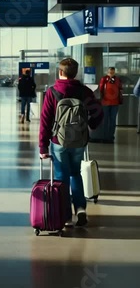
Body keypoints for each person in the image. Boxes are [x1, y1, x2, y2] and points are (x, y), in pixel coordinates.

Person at [39, 58, 103, 227]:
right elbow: (98, 113)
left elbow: (45, 121)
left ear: (60, 72)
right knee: (76, 173)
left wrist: (42, 146)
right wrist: (91, 126)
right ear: (76, 73)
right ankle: (80, 208)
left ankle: (65, 215)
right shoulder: (84, 92)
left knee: (61, 178)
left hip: (58, 141)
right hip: (79, 141)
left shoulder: (53, 92)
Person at [98, 67, 123, 143]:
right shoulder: (104, 79)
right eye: (110, 72)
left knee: (112, 120)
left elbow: (120, 89)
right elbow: (101, 89)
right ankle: (104, 136)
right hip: (105, 102)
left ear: (114, 72)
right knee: (105, 120)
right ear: (107, 72)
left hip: (115, 103)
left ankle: (110, 137)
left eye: (112, 72)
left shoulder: (117, 80)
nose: (111, 74)